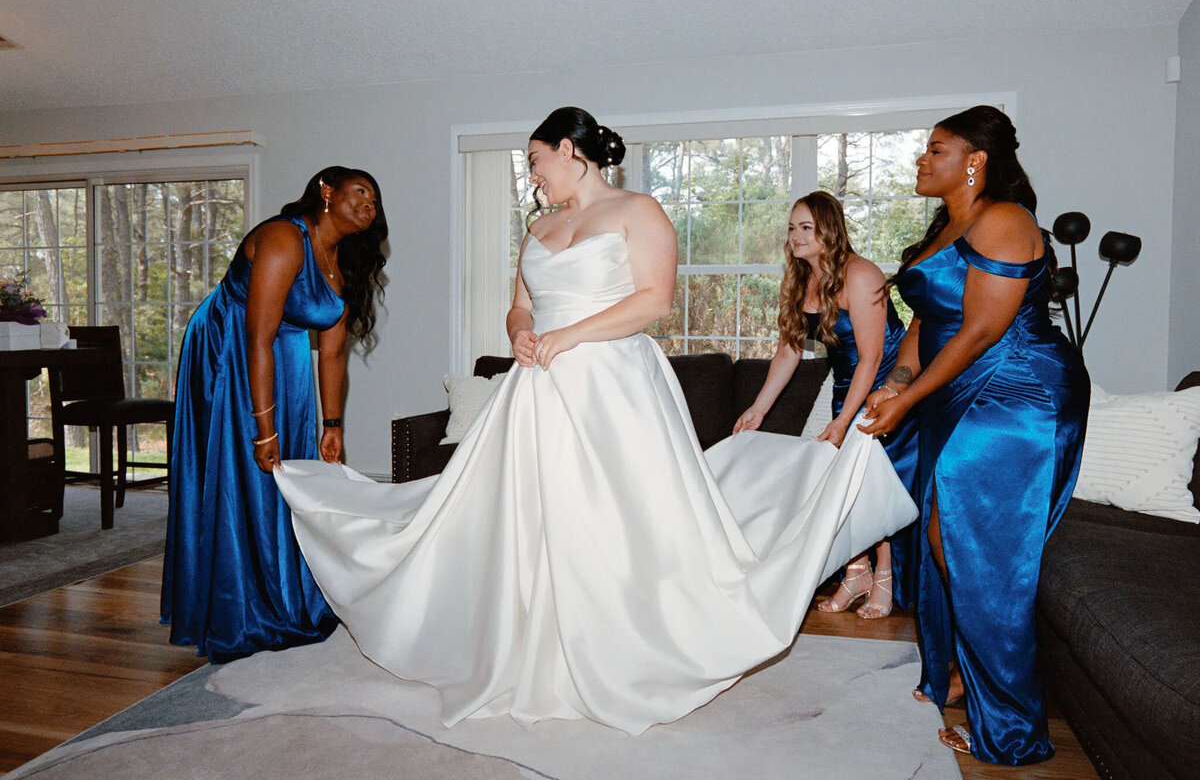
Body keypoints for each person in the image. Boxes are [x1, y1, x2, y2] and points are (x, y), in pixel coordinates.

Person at [272, 107, 917, 735]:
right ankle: (531, 639)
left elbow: (653, 300)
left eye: (534, 159)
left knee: (616, 516)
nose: (532, 175)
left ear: (570, 151)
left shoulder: (639, 212)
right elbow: (518, 309)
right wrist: (524, 336)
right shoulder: (538, 230)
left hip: (614, 388)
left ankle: (626, 641)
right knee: (526, 516)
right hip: (537, 389)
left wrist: (570, 335)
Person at [859, 106, 1088, 765]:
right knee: (940, 529)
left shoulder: (1004, 219)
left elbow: (984, 329)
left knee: (968, 540)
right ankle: (961, 675)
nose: (921, 161)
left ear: (975, 160)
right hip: (956, 384)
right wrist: (899, 379)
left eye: (935, 150)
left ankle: (1013, 725)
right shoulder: (944, 227)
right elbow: (930, 322)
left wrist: (911, 400)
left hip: (1018, 389)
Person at [162, 166, 388, 663]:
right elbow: (256, 337)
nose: (369, 207)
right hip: (229, 352)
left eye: (374, 203)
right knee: (247, 472)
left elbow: (331, 354)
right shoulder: (285, 238)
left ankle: (287, 599)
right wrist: (264, 429)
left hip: (284, 359)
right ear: (326, 192)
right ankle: (237, 609)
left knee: (292, 476)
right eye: (360, 194)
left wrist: (332, 427)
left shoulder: (340, 261)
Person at [734, 190, 918, 619]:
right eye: (791, 228)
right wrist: (758, 408)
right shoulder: (801, 280)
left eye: (806, 228)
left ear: (828, 230)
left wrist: (848, 421)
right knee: (838, 481)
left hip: (885, 390)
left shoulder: (862, 274)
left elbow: (873, 356)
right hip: (845, 387)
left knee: (869, 483)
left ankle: (884, 578)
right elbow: (789, 352)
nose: (795, 236)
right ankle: (856, 571)